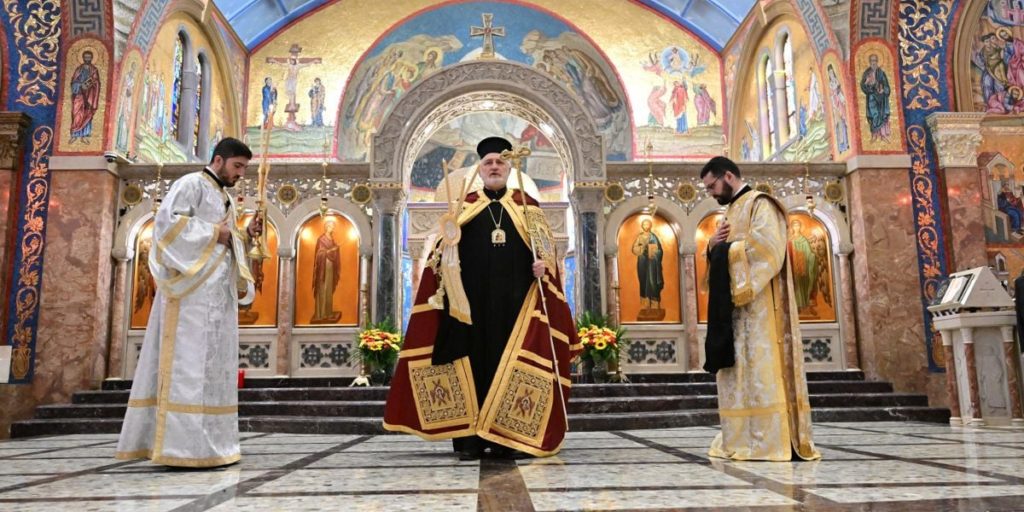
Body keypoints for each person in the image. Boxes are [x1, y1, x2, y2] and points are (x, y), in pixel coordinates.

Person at [384, 136, 579, 460]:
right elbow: (439, 256)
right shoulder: (465, 206)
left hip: (516, 308)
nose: (494, 167)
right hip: (470, 309)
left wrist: (543, 266)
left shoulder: (528, 207)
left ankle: (510, 439)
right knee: (470, 367)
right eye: (488, 163)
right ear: (480, 169)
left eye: (500, 162)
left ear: (509, 168)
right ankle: (470, 441)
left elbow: (547, 255)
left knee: (511, 366)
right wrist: (446, 253)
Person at [116, 138, 260, 468]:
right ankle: (180, 448)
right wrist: (215, 234)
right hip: (190, 296)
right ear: (219, 160)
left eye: (244, 168)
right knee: (188, 367)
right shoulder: (191, 184)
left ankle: (211, 445)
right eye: (237, 166)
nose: (240, 174)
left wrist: (243, 234)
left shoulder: (224, 196)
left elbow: (225, 238)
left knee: (211, 369)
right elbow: (168, 226)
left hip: (216, 297)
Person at [701, 156, 820, 462]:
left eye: (712, 186)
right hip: (733, 312)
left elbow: (768, 250)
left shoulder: (761, 204)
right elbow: (724, 253)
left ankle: (768, 440)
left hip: (762, 308)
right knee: (738, 375)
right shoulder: (731, 210)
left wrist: (724, 251)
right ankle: (741, 438)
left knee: (760, 373)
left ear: (729, 176)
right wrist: (712, 248)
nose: (711, 193)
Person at [312, 219, 341, 323]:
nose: (333, 228)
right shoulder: (321, 239)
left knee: (329, 288)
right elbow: (319, 254)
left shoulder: (332, 239)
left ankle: (328, 313)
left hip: (330, 266)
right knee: (323, 288)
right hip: (323, 268)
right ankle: (321, 313)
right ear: (327, 227)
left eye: (333, 226)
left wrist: (336, 249)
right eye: (331, 226)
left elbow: (333, 252)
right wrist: (331, 250)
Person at [632, 219, 664, 310]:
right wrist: (642, 248)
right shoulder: (640, 237)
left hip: (653, 264)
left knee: (653, 281)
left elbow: (660, 251)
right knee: (643, 281)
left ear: (650, 226)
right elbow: (634, 249)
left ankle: (654, 304)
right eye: (644, 224)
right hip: (642, 262)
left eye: (647, 224)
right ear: (642, 226)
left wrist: (654, 252)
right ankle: (645, 304)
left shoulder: (653, 237)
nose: (646, 226)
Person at [70, 50, 101, 143]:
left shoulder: (94, 70)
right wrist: (80, 85)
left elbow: (97, 82)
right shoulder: (79, 69)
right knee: (76, 113)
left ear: (91, 58)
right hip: (79, 95)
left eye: (89, 57)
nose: (87, 59)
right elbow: (73, 82)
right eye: (86, 57)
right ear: (83, 58)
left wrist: (90, 84)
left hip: (89, 96)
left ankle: (84, 136)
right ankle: (74, 134)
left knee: (87, 113)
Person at [860, 55, 891, 142]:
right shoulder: (866, 73)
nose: (873, 63)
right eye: (872, 61)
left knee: (881, 116)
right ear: (869, 62)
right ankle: (874, 135)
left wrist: (883, 90)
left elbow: (887, 87)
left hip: (881, 100)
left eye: (875, 61)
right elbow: (862, 86)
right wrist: (866, 84)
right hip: (871, 99)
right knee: (874, 115)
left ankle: (883, 135)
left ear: (877, 62)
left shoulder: (881, 73)